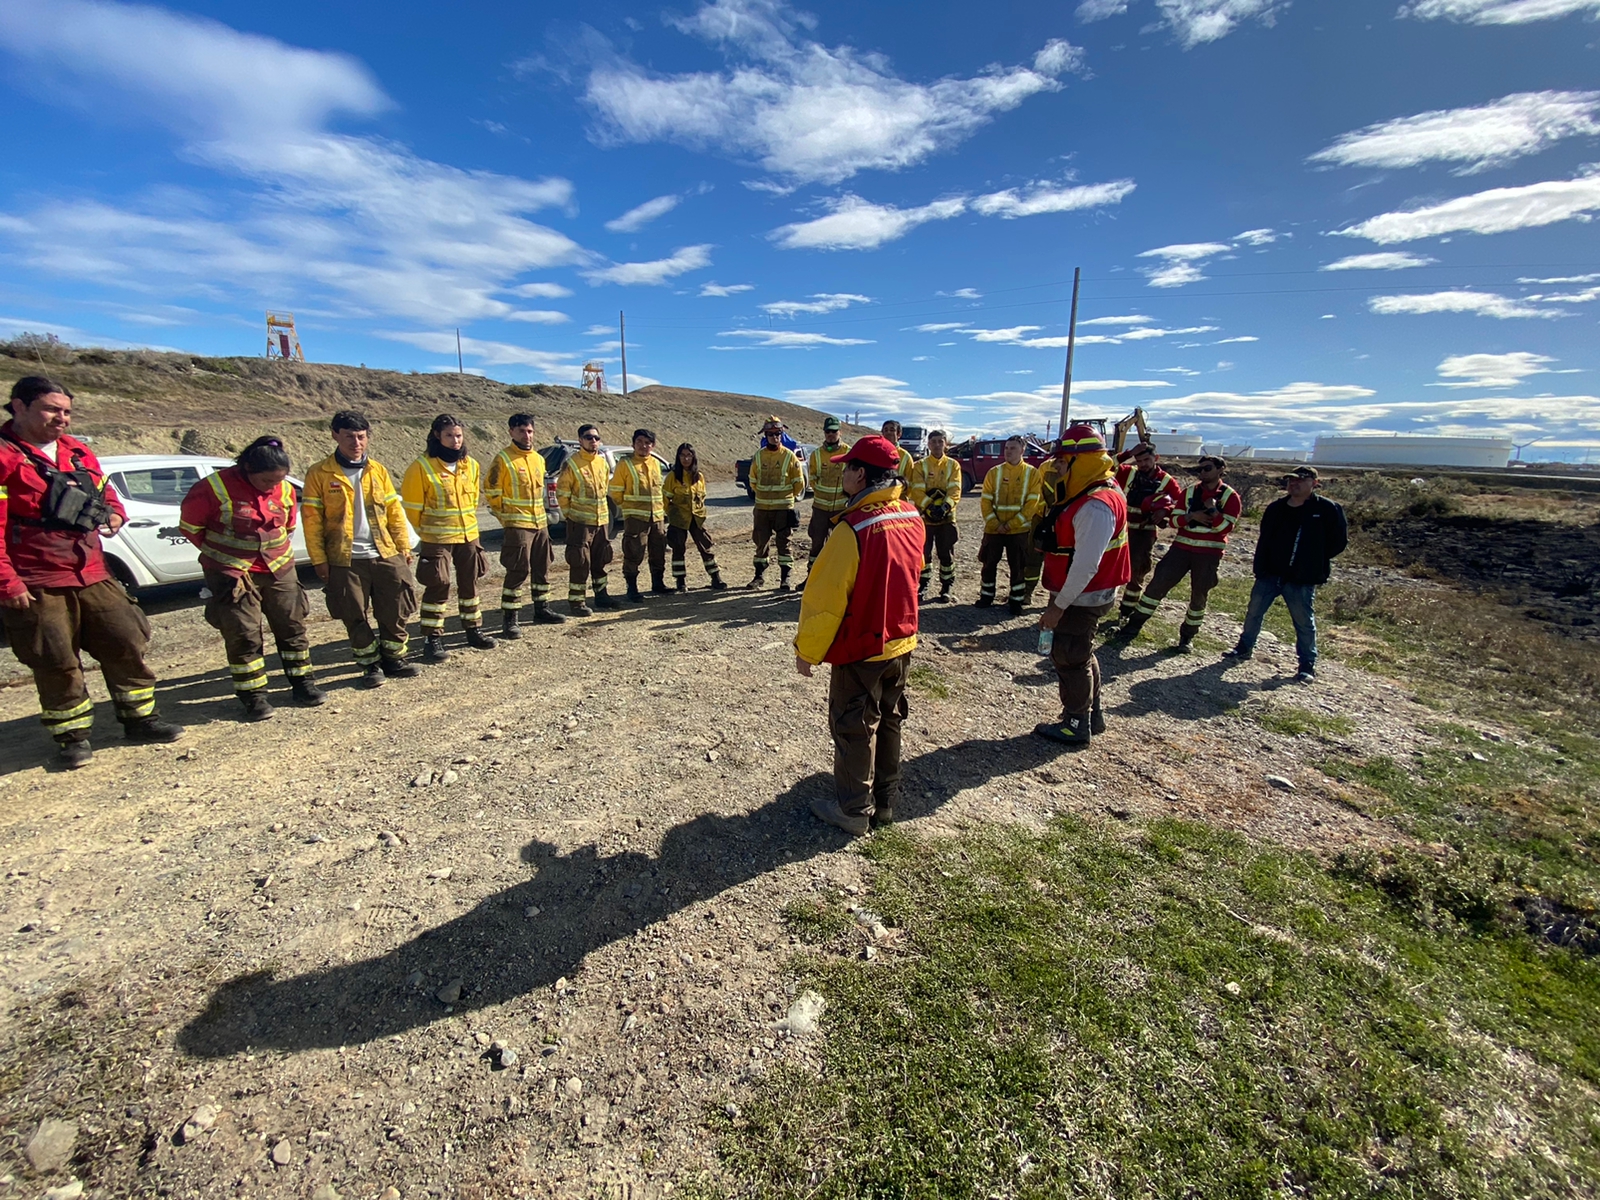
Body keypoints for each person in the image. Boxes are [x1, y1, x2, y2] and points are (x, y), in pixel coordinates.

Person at [0, 376, 179, 767]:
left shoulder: (77, 450)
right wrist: (7, 582)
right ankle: (72, 737)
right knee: (55, 657)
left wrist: (115, 513)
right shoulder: (4, 456)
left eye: (66, 411)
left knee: (126, 639)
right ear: (18, 406)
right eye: (51, 409)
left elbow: (105, 491)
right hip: (39, 577)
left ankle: (141, 719)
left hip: (92, 569)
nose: (60, 418)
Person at [794, 435, 923, 836]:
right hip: (901, 641)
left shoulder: (854, 528)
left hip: (863, 647)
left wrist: (807, 651)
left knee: (853, 727)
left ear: (861, 475)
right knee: (889, 720)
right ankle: (885, 804)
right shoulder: (911, 515)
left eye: (848, 466)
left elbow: (826, 599)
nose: (842, 471)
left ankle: (852, 810)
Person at [180, 436, 324, 720]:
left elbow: (288, 524)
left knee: (292, 627)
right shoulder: (213, 488)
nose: (272, 487)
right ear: (247, 469)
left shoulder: (281, 488)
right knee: (244, 635)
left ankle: (303, 684)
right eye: (265, 482)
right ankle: (254, 697)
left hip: (278, 568)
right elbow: (191, 528)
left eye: (278, 481)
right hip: (233, 572)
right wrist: (226, 559)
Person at [301, 410, 419, 687]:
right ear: (334, 435)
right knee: (353, 613)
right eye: (349, 437)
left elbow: (394, 512)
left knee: (396, 607)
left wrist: (403, 546)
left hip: (385, 552)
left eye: (362, 437)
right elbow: (312, 522)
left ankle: (394, 658)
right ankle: (369, 665)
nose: (357, 443)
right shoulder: (319, 473)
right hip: (345, 558)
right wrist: (319, 560)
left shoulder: (378, 470)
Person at [1032, 426, 1131, 747]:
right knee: (1083, 652)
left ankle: (1076, 724)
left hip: (1082, 596)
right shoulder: (1095, 489)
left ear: (1080, 461)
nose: (1056, 468)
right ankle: (1092, 714)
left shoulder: (1096, 505)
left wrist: (1057, 607)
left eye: (1061, 462)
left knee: (1070, 656)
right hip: (1083, 592)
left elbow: (1087, 565)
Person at [1224, 466, 1347, 683]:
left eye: (1300, 480)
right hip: (1270, 574)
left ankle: (1307, 664)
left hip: (1301, 578)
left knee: (1303, 621)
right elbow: (1264, 539)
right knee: (1254, 612)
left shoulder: (1327, 509)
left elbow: (1338, 542)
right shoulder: (1276, 508)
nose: (1294, 484)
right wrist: (1260, 568)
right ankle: (1243, 648)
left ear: (1314, 483)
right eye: (1291, 480)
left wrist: (1313, 561)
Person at [1117, 455, 1242, 652]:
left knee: (1198, 596)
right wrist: (1193, 516)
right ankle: (1132, 627)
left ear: (1220, 470)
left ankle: (1187, 637)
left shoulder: (1229, 497)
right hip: (1180, 549)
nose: (1202, 473)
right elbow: (1173, 521)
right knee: (1156, 587)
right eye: (1198, 469)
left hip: (1208, 554)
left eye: (1207, 469)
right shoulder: (1190, 492)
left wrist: (1213, 512)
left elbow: (1226, 528)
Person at [401, 415, 495, 660]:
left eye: (459, 436)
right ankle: (433, 639)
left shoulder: (470, 465)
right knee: (438, 585)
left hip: (468, 535)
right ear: (436, 436)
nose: (455, 441)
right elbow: (412, 509)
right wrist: (428, 532)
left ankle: (474, 629)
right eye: (449, 436)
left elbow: (474, 499)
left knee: (470, 583)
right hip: (437, 538)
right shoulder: (421, 467)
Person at [487, 412, 564, 634]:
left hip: (540, 524)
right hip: (518, 526)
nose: (527, 435)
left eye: (530, 431)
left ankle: (542, 609)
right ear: (511, 432)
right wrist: (507, 519)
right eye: (521, 431)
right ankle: (510, 620)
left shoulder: (538, 459)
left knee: (543, 568)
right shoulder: (503, 459)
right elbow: (492, 492)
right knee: (517, 570)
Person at [556, 424, 620, 616]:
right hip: (580, 522)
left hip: (601, 521)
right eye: (588, 437)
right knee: (580, 561)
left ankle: (602, 596)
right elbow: (562, 494)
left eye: (596, 438)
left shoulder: (602, 462)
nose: (593, 441)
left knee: (600, 560)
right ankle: (577, 602)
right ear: (580, 440)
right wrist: (571, 517)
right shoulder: (572, 463)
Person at [1114, 442, 1183, 620]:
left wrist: (1165, 510)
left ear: (1156, 458)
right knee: (1108, 568)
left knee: (1136, 574)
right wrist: (1128, 453)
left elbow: (1181, 504)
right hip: (1119, 530)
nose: (1143, 464)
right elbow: (1106, 465)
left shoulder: (1167, 481)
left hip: (1143, 534)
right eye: (1139, 460)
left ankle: (1126, 612)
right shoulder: (1128, 472)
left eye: (1147, 459)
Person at [976, 436, 1041, 613]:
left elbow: (1032, 503)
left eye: (1013, 448)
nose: (1008, 451)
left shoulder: (1032, 473)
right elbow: (986, 501)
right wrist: (995, 523)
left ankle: (1016, 601)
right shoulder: (994, 472)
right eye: (1006, 448)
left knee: (1018, 566)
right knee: (989, 563)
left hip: (1018, 530)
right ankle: (986, 596)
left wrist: (1011, 524)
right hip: (994, 530)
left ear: (1022, 450)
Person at [609, 428, 670, 603]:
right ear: (633, 444)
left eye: (647, 443)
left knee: (658, 551)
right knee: (634, 552)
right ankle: (632, 587)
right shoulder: (625, 464)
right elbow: (615, 491)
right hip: (636, 519)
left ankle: (658, 583)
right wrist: (628, 508)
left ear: (653, 445)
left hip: (657, 517)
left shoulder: (655, 464)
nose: (643, 446)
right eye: (639, 442)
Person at [748, 416, 805, 592]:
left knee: (784, 544)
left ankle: (785, 579)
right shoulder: (759, 456)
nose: (775, 437)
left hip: (783, 509)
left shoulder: (789, 457)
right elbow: (753, 481)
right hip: (762, 509)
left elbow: (799, 484)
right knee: (760, 544)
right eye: (771, 434)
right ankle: (759, 577)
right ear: (765, 435)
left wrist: (785, 499)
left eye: (778, 433)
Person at [662, 442, 727, 591]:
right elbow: (665, 499)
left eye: (689, 455)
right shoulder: (673, 476)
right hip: (679, 519)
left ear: (693, 457)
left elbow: (702, 497)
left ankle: (716, 578)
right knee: (678, 549)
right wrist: (671, 514)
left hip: (696, 519)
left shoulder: (699, 477)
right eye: (683, 455)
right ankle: (680, 582)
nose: (686, 459)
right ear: (678, 457)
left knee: (706, 547)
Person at [908, 428, 961, 602]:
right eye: (933, 442)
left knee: (946, 554)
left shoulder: (953, 465)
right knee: (925, 554)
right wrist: (930, 507)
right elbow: (916, 490)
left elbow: (955, 490)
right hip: (925, 518)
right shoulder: (920, 466)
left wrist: (944, 508)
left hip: (946, 519)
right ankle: (923, 585)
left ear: (945, 444)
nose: (937, 445)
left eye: (940, 441)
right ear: (928, 444)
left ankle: (947, 587)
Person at [805, 417, 851, 572]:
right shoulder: (816, 454)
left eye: (834, 431)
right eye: (827, 431)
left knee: (842, 544)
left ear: (840, 432)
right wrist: (821, 493)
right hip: (820, 508)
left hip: (842, 509)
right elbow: (812, 478)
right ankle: (812, 575)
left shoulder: (849, 453)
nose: (831, 434)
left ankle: (838, 577)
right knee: (817, 543)